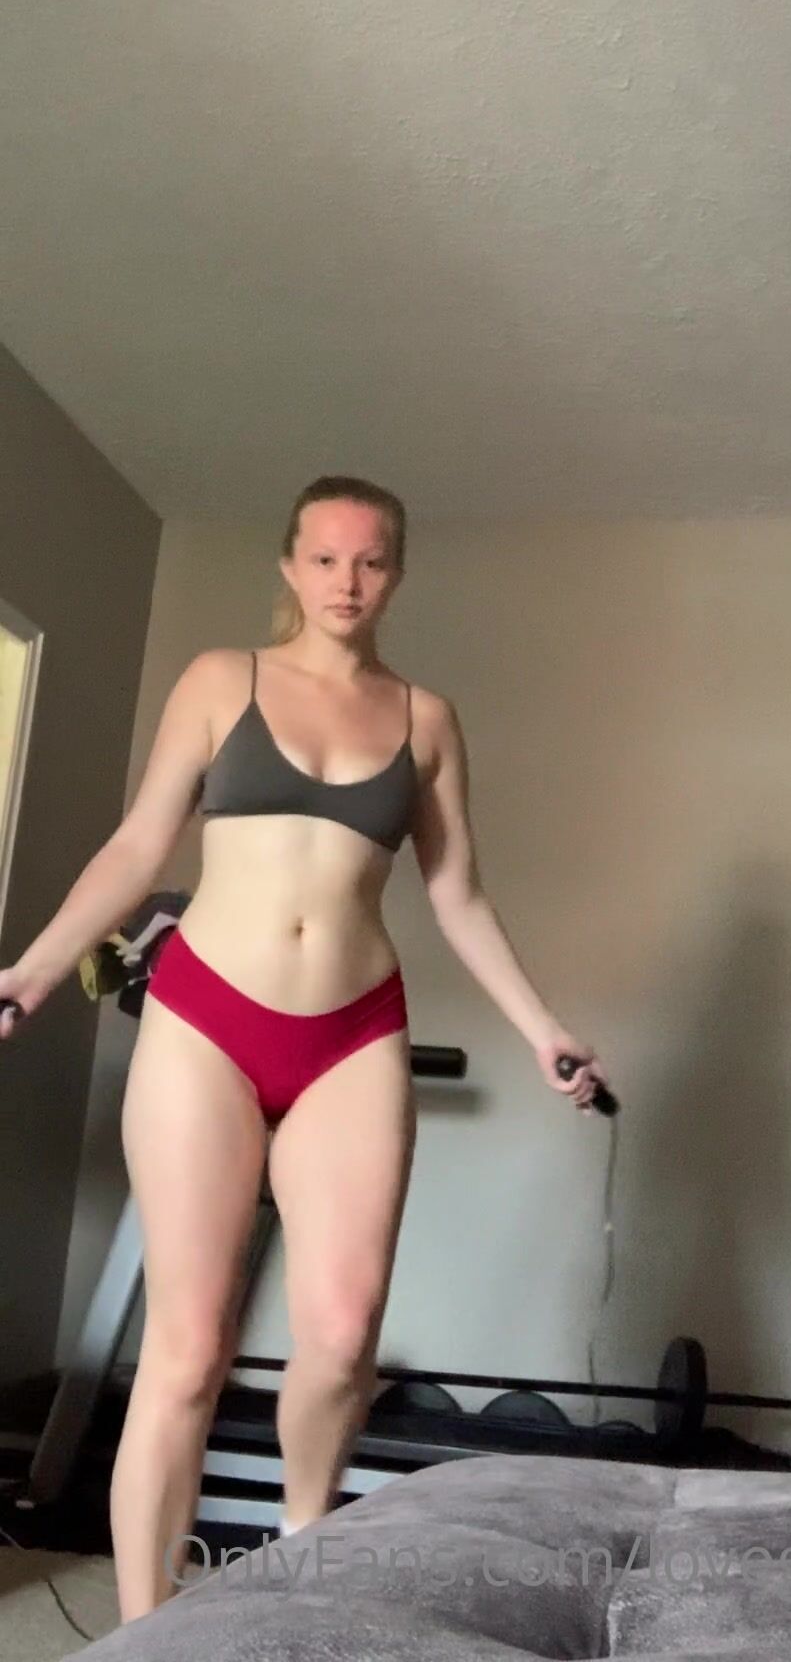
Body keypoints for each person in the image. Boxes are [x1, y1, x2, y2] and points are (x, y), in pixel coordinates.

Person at [0, 472, 609, 1623]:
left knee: (340, 1339)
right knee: (188, 1350)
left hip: (353, 1030)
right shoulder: (220, 681)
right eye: (325, 558)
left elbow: (459, 894)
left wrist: (545, 1030)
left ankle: (300, 1573)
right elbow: (139, 846)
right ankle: (148, 1631)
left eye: (371, 560)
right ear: (290, 566)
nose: (347, 580)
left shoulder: (425, 720)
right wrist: (34, 968)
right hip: (206, 1020)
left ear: (396, 574)